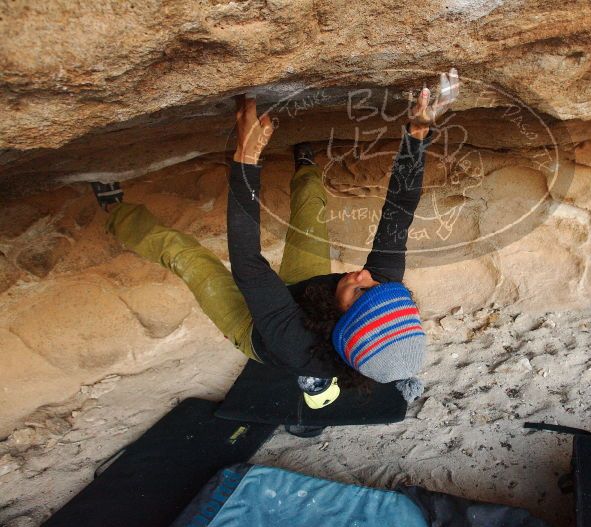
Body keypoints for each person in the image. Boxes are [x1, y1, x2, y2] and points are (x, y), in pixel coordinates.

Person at [90, 69, 460, 435]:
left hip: (255, 327)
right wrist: (417, 136)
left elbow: (248, 263)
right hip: (313, 294)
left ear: (345, 321)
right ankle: (306, 166)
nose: (362, 275)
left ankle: (116, 213)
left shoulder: (296, 344)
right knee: (313, 216)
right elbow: (399, 210)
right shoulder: (380, 289)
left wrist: (246, 159)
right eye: (376, 285)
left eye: (360, 290)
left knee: (186, 256)